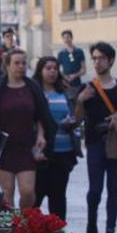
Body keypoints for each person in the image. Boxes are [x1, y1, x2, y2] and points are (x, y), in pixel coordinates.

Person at [74, 41, 117, 233]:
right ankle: (92, 219)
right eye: (94, 58)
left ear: (110, 60)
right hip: (94, 143)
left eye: (101, 58)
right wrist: (80, 101)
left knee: (113, 189)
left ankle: (110, 232)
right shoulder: (88, 88)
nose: (97, 62)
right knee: (95, 190)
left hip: (115, 144)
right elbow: (77, 119)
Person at [0, 49, 54, 208]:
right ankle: (11, 229)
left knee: (27, 192)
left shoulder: (32, 88)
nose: (21, 66)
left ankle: (24, 222)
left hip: (27, 147)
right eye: (17, 63)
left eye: (24, 63)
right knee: (7, 193)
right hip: (3, 147)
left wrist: (41, 135)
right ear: (7, 65)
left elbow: (41, 115)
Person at [32, 56, 81, 221]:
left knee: (58, 196)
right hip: (42, 152)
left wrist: (71, 122)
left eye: (55, 68)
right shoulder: (34, 93)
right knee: (36, 195)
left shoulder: (64, 93)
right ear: (40, 71)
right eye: (48, 68)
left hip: (64, 151)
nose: (52, 71)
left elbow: (74, 117)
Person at [57, 30, 86, 95]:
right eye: (64, 38)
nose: (66, 39)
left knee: (77, 101)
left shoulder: (79, 51)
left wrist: (74, 76)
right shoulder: (61, 54)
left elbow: (84, 70)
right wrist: (64, 77)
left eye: (68, 37)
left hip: (77, 83)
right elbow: (57, 69)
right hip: (65, 84)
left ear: (72, 38)